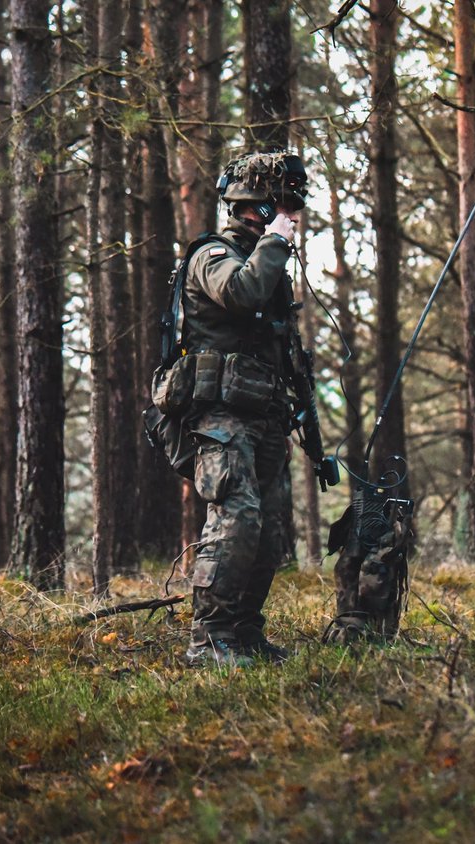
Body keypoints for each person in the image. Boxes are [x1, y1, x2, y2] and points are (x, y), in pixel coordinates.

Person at [173, 151, 309, 668]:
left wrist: (295, 416)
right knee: (237, 516)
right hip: (220, 414)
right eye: (280, 206)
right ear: (255, 206)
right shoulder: (213, 255)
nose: (290, 216)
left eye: (292, 207)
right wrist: (275, 242)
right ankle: (209, 639)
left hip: (263, 414)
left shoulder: (268, 265)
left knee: (269, 527)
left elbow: (282, 349)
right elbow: (239, 292)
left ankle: (245, 632)